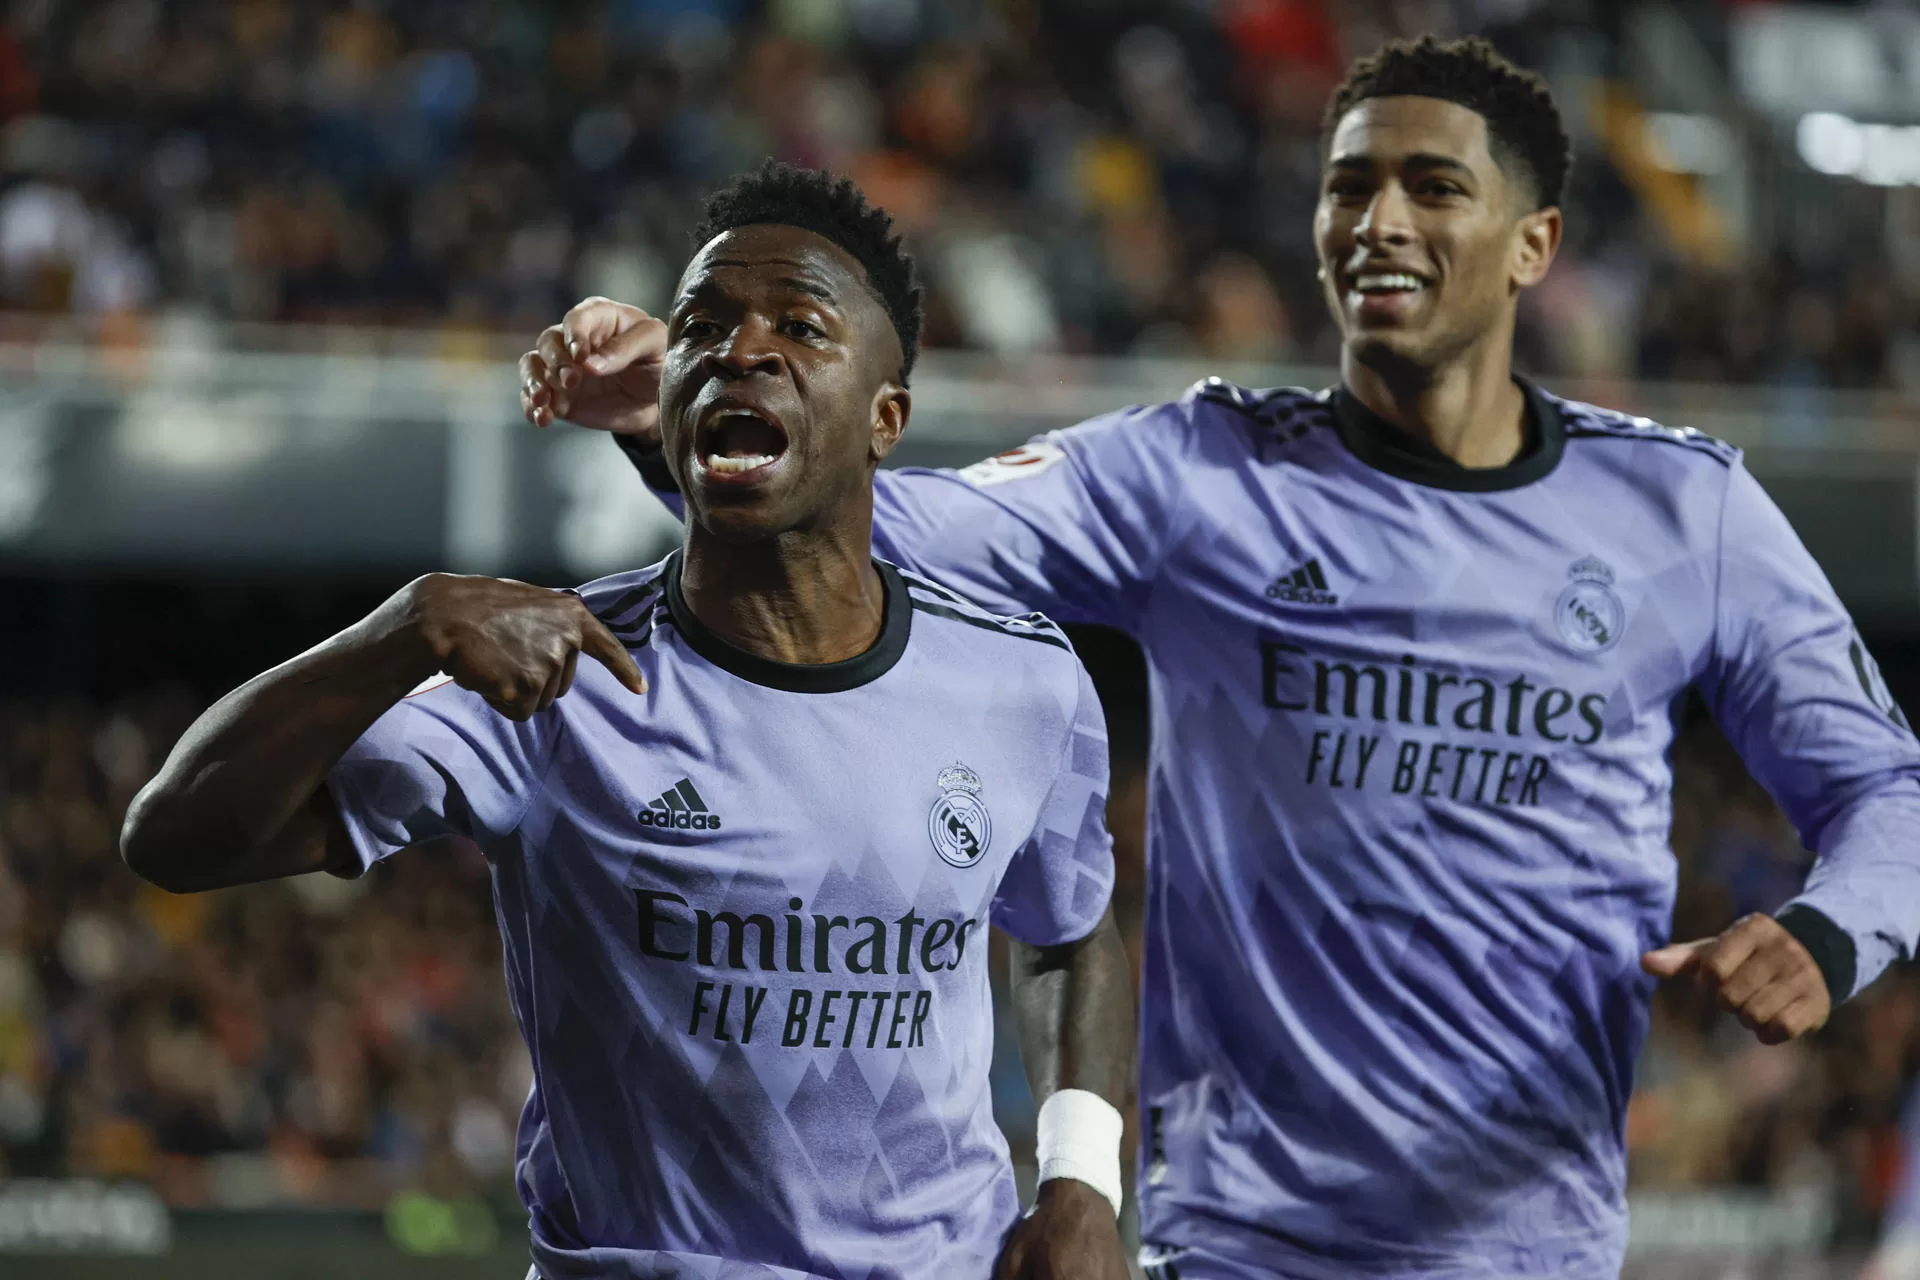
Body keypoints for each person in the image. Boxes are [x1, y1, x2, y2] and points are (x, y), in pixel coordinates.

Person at [521, 35, 1920, 1280]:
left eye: (1434, 187)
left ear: (1535, 245)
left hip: (1537, 1242)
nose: (1376, 220)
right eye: (1347, 185)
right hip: (1235, 1241)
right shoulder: (1197, 470)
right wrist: (692, 419)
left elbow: (1888, 792)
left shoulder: (1688, 510)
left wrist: (1827, 931)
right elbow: (895, 532)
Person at [122, 165, 1136, 1280]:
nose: (740, 349)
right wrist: (398, 631)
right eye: (702, 325)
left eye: (799, 326)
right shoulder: (552, 678)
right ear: (667, 401)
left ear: (884, 418)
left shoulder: (1018, 678)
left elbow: (1070, 926)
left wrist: (1083, 1182)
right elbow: (174, 837)